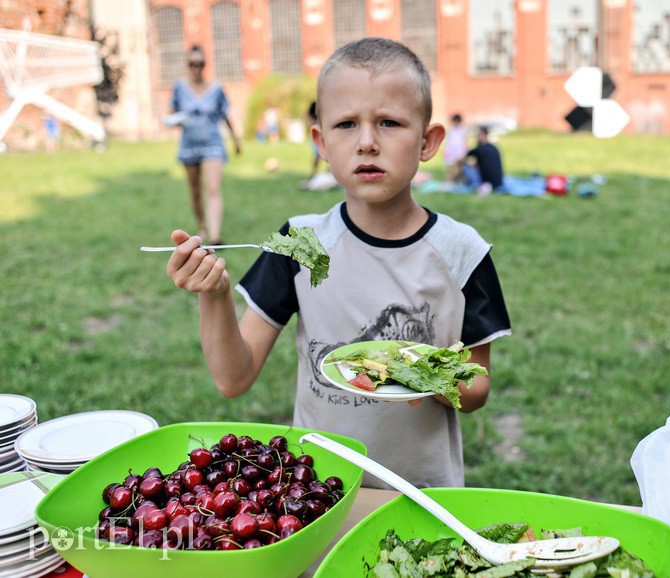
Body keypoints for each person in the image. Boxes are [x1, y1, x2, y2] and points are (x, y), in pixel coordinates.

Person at [164, 38, 511, 489]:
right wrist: (214, 295)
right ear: (322, 142)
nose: (367, 143)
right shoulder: (301, 243)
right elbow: (234, 378)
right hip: (315, 493)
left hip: (422, 494)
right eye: (346, 124)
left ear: (427, 141)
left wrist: (425, 375)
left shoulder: (463, 252)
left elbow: (477, 390)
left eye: (389, 122)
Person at [170, 44, 241, 245]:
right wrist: (176, 120)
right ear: (187, 65)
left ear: (205, 65)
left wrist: (236, 140)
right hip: (189, 146)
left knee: (213, 189)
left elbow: (226, 115)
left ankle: (215, 236)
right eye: (192, 64)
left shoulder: (216, 89)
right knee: (195, 192)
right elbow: (172, 113)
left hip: (213, 144)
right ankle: (202, 225)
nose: (196, 68)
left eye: (200, 64)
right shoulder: (179, 88)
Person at [465, 126, 504, 194]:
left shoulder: (479, 149)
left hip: (487, 182)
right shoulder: (494, 147)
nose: (477, 137)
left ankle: (474, 185)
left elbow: (466, 155)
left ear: (483, 135)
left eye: (478, 135)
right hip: (498, 181)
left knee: (466, 167)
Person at [443, 113, 468, 182]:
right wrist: (446, 150)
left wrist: (465, 152)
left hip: (460, 152)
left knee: (460, 169)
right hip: (451, 152)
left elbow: (464, 142)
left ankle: (458, 181)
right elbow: (447, 142)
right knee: (450, 168)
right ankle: (449, 181)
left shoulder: (462, 131)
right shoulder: (450, 131)